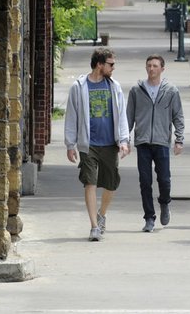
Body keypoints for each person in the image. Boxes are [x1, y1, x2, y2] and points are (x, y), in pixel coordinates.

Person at [64, 48, 130, 242]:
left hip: (110, 143)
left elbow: (122, 116)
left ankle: (102, 214)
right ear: (99, 64)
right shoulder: (79, 86)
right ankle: (94, 226)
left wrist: (124, 140)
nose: (113, 68)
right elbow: (72, 116)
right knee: (90, 182)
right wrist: (70, 144)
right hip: (88, 144)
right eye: (111, 64)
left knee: (111, 183)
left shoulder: (114, 86)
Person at [127, 54, 185, 233]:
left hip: (161, 141)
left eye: (155, 66)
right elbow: (128, 117)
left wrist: (179, 139)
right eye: (149, 66)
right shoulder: (136, 90)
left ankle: (165, 203)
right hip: (143, 141)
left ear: (162, 69)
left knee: (164, 179)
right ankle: (149, 218)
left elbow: (178, 116)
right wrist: (124, 139)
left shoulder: (171, 91)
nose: (151, 69)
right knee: (145, 181)